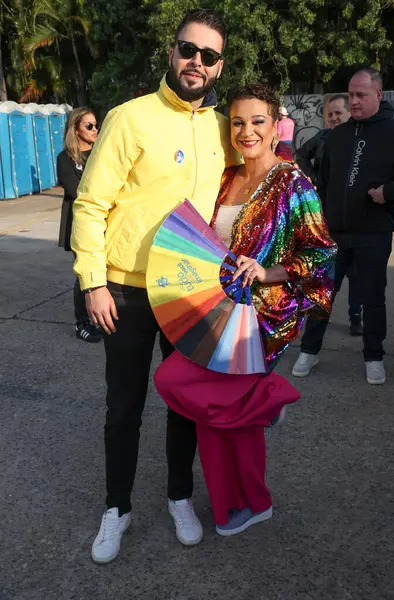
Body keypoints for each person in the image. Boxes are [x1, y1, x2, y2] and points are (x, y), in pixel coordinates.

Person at [71, 9, 239, 563]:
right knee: (124, 405)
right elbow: (91, 203)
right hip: (124, 290)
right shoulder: (129, 118)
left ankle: (179, 495)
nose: (197, 62)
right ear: (172, 52)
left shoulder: (219, 127)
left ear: (218, 67)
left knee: (184, 403)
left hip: (189, 292)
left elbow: (252, 177)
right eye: (189, 50)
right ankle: (116, 508)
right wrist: (93, 283)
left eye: (209, 56)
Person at [155, 83, 337, 536]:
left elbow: (320, 253)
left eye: (258, 121)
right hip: (215, 311)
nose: (247, 130)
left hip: (260, 319)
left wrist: (268, 272)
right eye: (238, 122)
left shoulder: (293, 182)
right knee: (213, 417)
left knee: (175, 379)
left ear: (276, 125)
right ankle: (239, 502)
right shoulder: (226, 177)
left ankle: (267, 401)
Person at [292, 68, 394, 385]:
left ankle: (374, 357)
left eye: (361, 95)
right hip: (334, 233)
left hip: (374, 233)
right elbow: (324, 182)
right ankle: (309, 351)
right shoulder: (337, 136)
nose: (354, 101)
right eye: (351, 95)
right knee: (321, 294)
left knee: (373, 298)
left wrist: (389, 193)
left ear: (378, 95)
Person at [297, 94, 363, 336]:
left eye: (339, 113)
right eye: (331, 114)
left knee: (355, 271)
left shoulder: (359, 138)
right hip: (326, 213)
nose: (335, 118)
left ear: (349, 113)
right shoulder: (323, 137)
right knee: (325, 267)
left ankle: (356, 315)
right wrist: (315, 177)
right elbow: (301, 154)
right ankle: (315, 316)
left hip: (354, 217)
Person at [57, 107, 102, 343]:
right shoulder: (65, 158)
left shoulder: (101, 154)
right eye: (89, 126)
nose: (96, 130)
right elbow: (76, 191)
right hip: (79, 223)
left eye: (96, 125)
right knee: (85, 272)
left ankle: (101, 316)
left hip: (105, 220)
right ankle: (82, 322)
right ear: (76, 129)